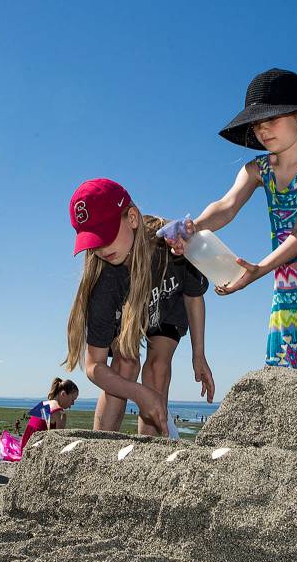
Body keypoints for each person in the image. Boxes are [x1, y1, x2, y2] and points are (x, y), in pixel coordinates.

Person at [164, 69, 297, 372]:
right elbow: (226, 206)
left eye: (272, 119)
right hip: (288, 290)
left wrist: (257, 271)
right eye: (256, 124)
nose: (262, 130)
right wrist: (194, 227)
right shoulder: (257, 169)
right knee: (280, 387)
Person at [63, 179, 215, 436]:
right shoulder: (105, 280)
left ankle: (149, 456)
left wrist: (198, 354)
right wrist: (137, 393)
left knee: (157, 368)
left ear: (132, 218)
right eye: (93, 241)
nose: (100, 249)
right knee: (125, 364)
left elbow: (193, 296)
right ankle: (100, 449)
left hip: (167, 302)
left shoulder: (172, 246)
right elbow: (94, 366)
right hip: (126, 309)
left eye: (106, 234)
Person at [20, 378, 80, 451]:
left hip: (24, 448)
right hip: (35, 451)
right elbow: (58, 441)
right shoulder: (60, 413)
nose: (73, 403)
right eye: (72, 399)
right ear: (63, 394)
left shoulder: (43, 404)